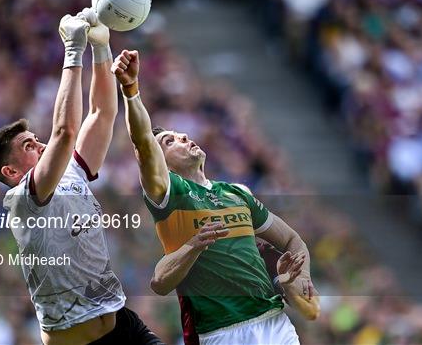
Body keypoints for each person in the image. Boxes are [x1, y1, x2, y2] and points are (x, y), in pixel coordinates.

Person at [111, 49, 320, 345]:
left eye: (181, 134)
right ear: (161, 163)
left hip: (274, 323)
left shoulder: (237, 193)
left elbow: (291, 241)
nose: (182, 137)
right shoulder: (171, 194)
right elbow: (143, 144)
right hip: (221, 332)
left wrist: (294, 281)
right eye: (169, 142)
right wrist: (131, 90)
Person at [0, 12, 163, 345]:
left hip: (123, 327)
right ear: (10, 171)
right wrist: (72, 50)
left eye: (36, 138)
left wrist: (101, 47)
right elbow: (65, 132)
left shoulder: (70, 172)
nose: (39, 143)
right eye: (28, 145)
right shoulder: (23, 199)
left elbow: (102, 114)